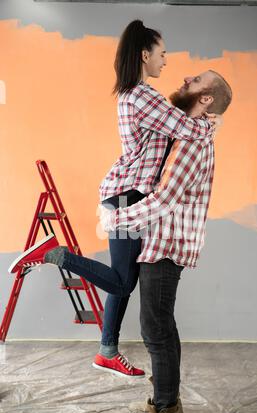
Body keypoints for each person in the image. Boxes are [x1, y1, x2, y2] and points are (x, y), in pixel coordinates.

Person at [8, 20, 221, 379]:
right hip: (125, 196)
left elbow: (175, 122)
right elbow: (187, 128)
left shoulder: (136, 94)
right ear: (144, 54)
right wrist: (214, 123)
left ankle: (107, 350)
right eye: (162, 54)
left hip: (127, 193)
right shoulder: (142, 96)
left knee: (121, 277)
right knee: (123, 282)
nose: (165, 62)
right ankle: (50, 254)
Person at [100, 70, 232, 413]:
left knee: (155, 330)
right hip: (162, 241)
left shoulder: (191, 144)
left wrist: (113, 218)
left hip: (167, 244)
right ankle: (168, 403)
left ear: (206, 99)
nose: (186, 77)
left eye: (196, 81)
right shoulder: (192, 131)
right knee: (162, 328)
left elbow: (163, 200)